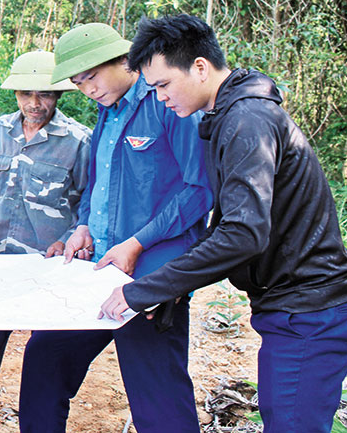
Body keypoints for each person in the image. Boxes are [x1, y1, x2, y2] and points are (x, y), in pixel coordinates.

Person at [100, 14, 347, 433]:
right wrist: (171, 287)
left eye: (164, 85)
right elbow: (228, 225)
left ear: (201, 67)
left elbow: (244, 234)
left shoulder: (247, 122)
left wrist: (148, 288)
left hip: (312, 309)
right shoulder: (228, 117)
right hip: (292, 308)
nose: (160, 98)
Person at [18, 23, 213, 432]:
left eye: (91, 76)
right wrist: (84, 225)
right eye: (77, 82)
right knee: (45, 360)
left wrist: (138, 243)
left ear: (124, 62)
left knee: (156, 393)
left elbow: (200, 190)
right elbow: (98, 182)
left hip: (152, 274)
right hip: (98, 269)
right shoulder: (108, 111)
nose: (86, 89)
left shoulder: (168, 103)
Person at [0, 51, 91, 432]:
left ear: (59, 95)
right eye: (25, 94)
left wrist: (66, 238)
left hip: (49, 266)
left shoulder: (78, 142)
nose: (34, 104)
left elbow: (90, 203)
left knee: (49, 354)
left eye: (44, 94)